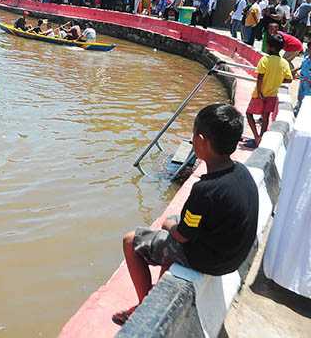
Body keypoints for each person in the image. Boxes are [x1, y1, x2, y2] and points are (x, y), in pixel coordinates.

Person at [114, 104, 258, 325]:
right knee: (170, 241)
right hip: (232, 259)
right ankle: (155, 296)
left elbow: (182, 236)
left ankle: (145, 309)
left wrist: (168, 224)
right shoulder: (242, 172)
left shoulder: (205, 190)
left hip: (209, 261)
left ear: (201, 140)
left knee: (131, 240)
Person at [245, 33, 293, 148]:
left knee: (249, 114)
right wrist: (276, 80)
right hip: (272, 95)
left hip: (260, 94)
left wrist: (260, 92)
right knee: (265, 118)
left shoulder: (265, 59)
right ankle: (261, 139)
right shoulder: (284, 63)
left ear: (270, 47)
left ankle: (256, 137)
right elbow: (289, 80)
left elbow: (260, 77)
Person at [295, 44, 311, 114]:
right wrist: (294, 70)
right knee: (300, 96)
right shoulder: (306, 57)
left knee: (306, 99)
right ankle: (298, 109)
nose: (309, 50)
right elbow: (302, 66)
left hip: (309, 83)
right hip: (302, 81)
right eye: (309, 48)